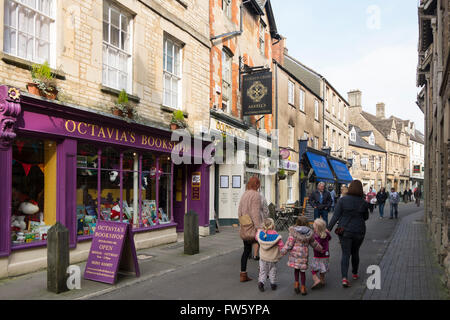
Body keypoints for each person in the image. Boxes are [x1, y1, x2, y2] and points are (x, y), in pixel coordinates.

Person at [327, 180, 369, 288]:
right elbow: (366, 217)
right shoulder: (363, 202)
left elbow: (335, 216)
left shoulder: (343, 200)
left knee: (345, 254)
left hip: (345, 230)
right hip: (359, 231)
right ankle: (355, 273)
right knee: (355, 252)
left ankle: (344, 278)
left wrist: (328, 229)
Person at [281, 216, 323, 296]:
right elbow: (314, 243)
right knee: (302, 272)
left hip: (295, 256)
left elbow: (289, 244)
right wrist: (320, 249)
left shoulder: (293, 233)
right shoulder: (309, 233)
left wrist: (283, 251)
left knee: (296, 270)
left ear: (297, 223)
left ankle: (296, 284)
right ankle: (303, 288)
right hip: (303, 257)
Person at [238, 176, 262, 282]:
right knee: (262, 249)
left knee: (246, 250)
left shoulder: (245, 194)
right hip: (253, 227)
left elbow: (239, 212)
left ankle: (243, 274)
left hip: (245, 226)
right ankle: (263, 273)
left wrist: (243, 223)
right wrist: (258, 228)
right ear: (257, 184)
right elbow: (255, 213)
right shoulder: (256, 195)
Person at [255, 218, 284, 292]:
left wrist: (259, 231)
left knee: (263, 271)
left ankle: (261, 282)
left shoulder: (261, 234)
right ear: (273, 225)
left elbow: (256, 238)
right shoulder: (275, 235)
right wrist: (282, 252)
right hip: (272, 258)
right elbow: (281, 245)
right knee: (272, 270)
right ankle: (273, 283)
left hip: (263, 257)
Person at [311, 218, 331, 289]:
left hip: (318, 255)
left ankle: (316, 280)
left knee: (313, 269)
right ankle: (322, 280)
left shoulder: (316, 236)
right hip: (326, 255)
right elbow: (330, 238)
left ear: (316, 228)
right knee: (323, 268)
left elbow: (315, 245)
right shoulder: (326, 234)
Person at [251, 192, 270, 260]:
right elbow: (265, 209)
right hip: (259, 219)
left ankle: (252, 254)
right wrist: (266, 218)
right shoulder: (260, 196)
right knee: (260, 236)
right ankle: (260, 254)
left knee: (253, 237)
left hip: (251, 219)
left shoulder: (247, 195)